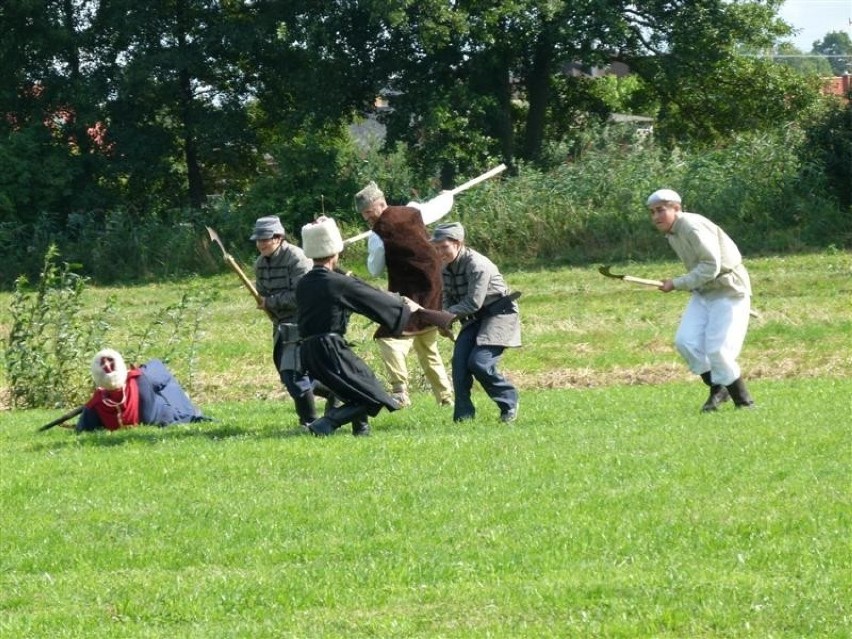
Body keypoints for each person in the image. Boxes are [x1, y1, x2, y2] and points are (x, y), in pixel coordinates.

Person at [295, 216, 454, 437]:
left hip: (309, 350)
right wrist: (401, 305)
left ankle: (362, 431)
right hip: (329, 348)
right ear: (335, 252)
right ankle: (325, 424)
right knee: (375, 395)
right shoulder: (337, 282)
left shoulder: (304, 282)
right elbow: (370, 300)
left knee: (361, 381)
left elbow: (354, 293)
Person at [646, 188, 755, 411]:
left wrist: (676, 283)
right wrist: (684, 283)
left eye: (661, 210)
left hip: (729, 290)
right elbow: (701, 271)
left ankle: (744, 403)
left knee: (718, 351)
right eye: (652, 212)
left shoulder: (692, 226)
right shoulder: (672, 233)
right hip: (704, 292)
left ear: (677, 208)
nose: (656, 217)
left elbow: (710, 266)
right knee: (686, 342)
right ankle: (718, 389)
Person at [354, 181, 454, 408]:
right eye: (364, 215)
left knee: (388, 338)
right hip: (434, 288)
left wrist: (374, 247)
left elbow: (374, 269)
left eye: (369, 212)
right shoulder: (412, 211)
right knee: (427, 347)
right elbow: (437, 206)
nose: (367, 218)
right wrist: (447, 195)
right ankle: (446, 398)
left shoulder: (378, 235)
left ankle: (400, 390)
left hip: (411, 295)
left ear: (381, 204)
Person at [430, 222, 521, 423]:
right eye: (436, 248)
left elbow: (473, 302)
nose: (440, 252)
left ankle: (509, 401)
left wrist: (444, 316)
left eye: (443, 247)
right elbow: (447, 296)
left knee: (479, 363)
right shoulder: (445, 268)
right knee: (460, 365)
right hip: (473, 320)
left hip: (499, 315)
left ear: (458, 243)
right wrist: (445, 321)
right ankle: (463, 418)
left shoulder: (478, 265)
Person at [251, 215, 322, 428]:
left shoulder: (297, 258)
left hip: (303, 322)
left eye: (266, 239)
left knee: (293, 375)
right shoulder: (260, 264)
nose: (261, 244)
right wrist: (266, 303)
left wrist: (270, 302)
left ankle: (309, 422)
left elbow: (303, 296)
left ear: (279, 237)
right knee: (288, 375)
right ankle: (333, 390)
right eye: (258, 240)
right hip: (281, 326)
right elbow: (262, 293)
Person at [76, 348, 208, 432]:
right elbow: (160, 370)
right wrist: (138, 370)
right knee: (160, 376)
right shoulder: (143, 379)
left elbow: (82, 428)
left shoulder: (94, 406)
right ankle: (190, 410)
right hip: (168, 417)